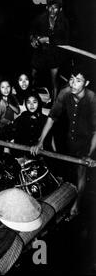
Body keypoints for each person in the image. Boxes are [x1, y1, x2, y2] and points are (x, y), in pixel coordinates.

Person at [31, 70, 96, 218]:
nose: (73, 83)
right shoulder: (65, 92)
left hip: (87, 142)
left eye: (78, 80)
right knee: (66, 170)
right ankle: (64, 197)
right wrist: (40, 141)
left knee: (81, 172)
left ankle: (76, 205)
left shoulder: (93, 99)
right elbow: (52, 117)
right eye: (72, 79)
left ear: (86, 83)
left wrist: (90, 155)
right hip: (69, 137)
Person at [29, 0, 70, 102]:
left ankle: (54, 105)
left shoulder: (64, 22)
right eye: (50, 8)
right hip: (41, 52)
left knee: (54, 80)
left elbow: (65, 40)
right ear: (47, 7)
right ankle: (30, 96)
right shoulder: (40, 18)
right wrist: (33, 39)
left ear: (60, 9)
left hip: (54, 54)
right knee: (32, 74)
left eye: (55, 8)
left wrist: (48, 39)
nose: (52, 11)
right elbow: (32, 32)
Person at [0, 91, 51, 156]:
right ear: (26, 104)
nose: (31, 105)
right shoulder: (22, 118)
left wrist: (39, 145)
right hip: (20, 157)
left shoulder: (45, 120)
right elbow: (8, 130)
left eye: (34, 102)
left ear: (39, 103)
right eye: (28, 102)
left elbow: (48, 140)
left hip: (38, 157)